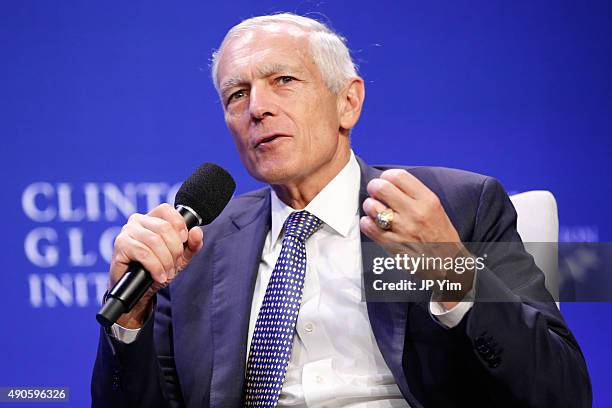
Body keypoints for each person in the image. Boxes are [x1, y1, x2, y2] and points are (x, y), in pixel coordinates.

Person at [91, 13, 591, 407]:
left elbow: (562, 392)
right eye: (236, 94)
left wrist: (451, 269)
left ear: (347, 103)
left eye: (283, 80)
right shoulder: (198, 245)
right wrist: (130, 318)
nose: (257, 108)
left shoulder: (459, 205)